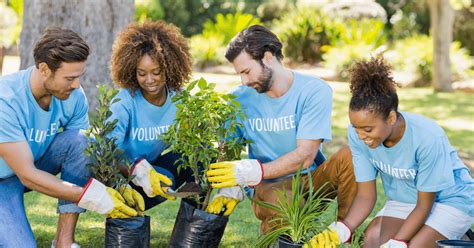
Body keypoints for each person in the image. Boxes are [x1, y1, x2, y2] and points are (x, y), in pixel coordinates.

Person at [307, 57, 474, 247]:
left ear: (392, 117)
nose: (361, 135)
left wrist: (398, 241)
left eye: (368, 129)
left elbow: (424, 204)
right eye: (356, 128)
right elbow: (365, 195)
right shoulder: (358, 136)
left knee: (413, 246)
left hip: (450, 201)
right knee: (372, 240)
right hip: (406, 200)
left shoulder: (427, 138)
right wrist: (342, 229)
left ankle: (460, 240)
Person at [0, 27, 143, 248]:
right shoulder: (6, 100)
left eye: (78, 77)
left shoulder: (72, 96)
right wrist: (90, 196)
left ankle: (64, 242)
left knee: (81, 141)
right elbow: (27, 175)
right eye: (69, 78)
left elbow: (84, 153)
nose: (76, 85)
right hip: (6, 179)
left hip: (33, 164)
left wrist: (124, 179)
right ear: (45, 69)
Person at [205, 25, 357, 232]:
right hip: (268, 186)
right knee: (289, 210)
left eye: (247, 71)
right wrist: (230, 188)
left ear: (267, 57)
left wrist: (254, 170)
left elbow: (306, 156)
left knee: (351, 156)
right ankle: (280, 228)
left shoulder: (313, 90)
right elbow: (227, 151)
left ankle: (342, 232)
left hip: (309, 182)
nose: (244, 81)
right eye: (240, 74)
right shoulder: (238, 99)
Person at [108, 21, 195, 209]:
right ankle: (125, 210)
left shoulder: (179, 99)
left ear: (169, 68)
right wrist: (135, 171)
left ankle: (194, 231)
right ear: (132, 71)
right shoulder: (124, 102)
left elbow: (191, 146)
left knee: (197, 156)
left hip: (152, 171)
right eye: (142, 73)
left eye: (156, 72)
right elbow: (106, 153)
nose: (150, 80)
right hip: (123, 176)